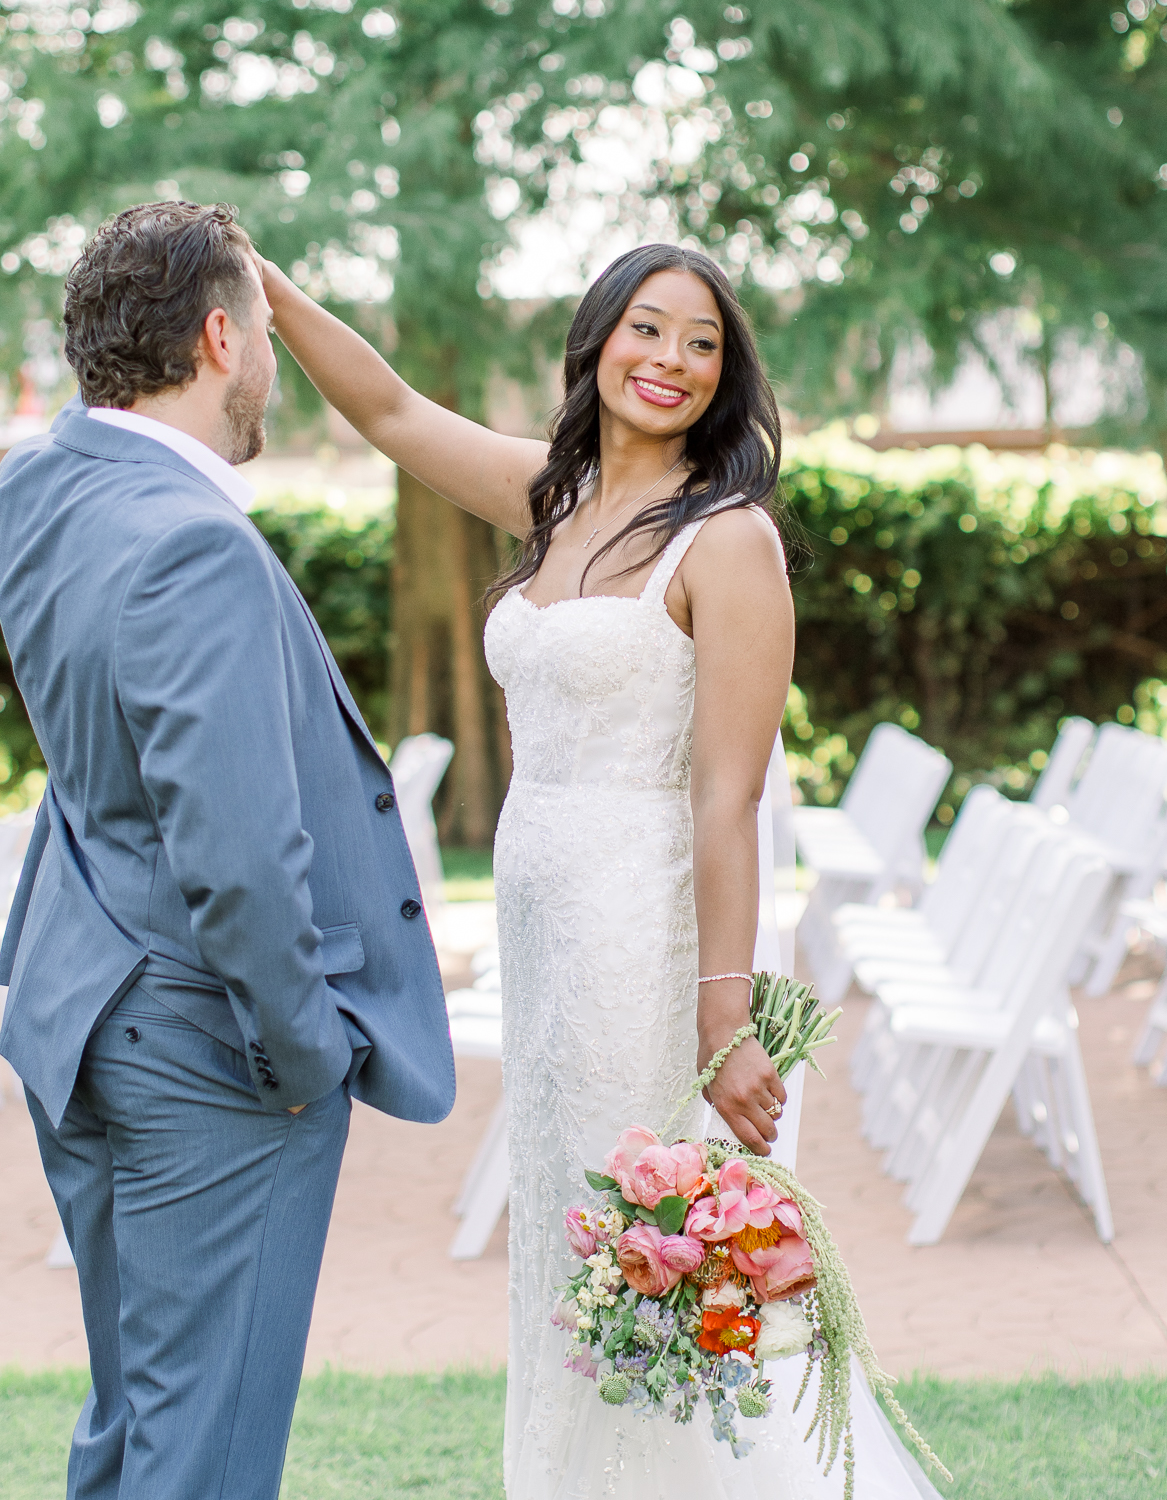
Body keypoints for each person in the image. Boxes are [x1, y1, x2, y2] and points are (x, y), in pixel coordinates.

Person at [258, 238, 935, 1498]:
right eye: (647, 327)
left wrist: (723, 1014)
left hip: (644, 930)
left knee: (652, 1245)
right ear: (594, 342)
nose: (670, 359)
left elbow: (726, 793)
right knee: (568, 1236)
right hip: (545, 933)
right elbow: (391, 410)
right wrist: (271, 294)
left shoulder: (725, 543)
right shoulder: (551, 500)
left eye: (701, 342)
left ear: (724, 378)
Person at [0, 201, 454, 1500]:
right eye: (261, 332)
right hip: (209, 1061)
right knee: (205, 1462)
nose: (270, 363)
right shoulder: (196, 546)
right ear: (216, 339)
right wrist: (307, 1052)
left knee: (137, 1430)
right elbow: (241, 857)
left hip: (80, 1014)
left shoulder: (41, 485)